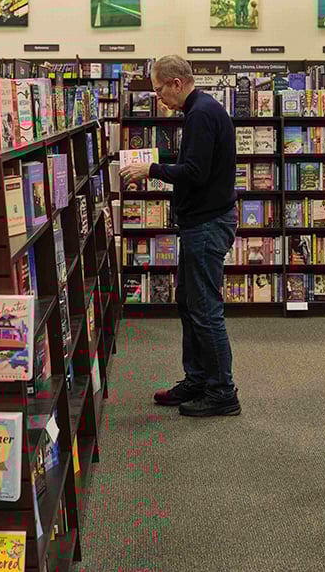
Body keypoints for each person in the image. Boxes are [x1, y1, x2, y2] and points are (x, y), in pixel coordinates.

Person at [121, 55, 240, 417]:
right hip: (200, 222)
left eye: (159, 90)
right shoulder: (199, 111)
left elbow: (196, 172)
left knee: (205, 309)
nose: (158, 97)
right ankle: (198, 379)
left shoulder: (201, 113)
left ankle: (222, 391)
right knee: (189, 302)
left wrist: (152, 169)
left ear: (176, 83)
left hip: (207, 224)